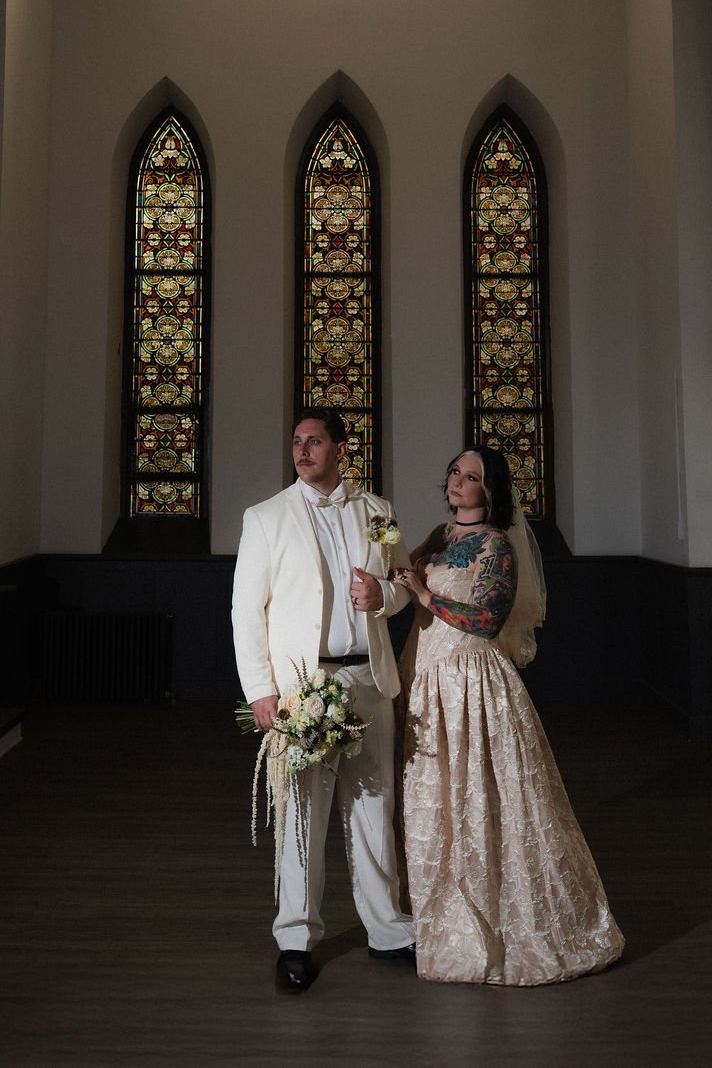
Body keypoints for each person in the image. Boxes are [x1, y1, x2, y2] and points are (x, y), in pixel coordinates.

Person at [395, 446, 624, 986]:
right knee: (437, 802)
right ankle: (440, 922)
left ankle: (509, 926)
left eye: (469, 476)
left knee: (483, 800)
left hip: (472, 682)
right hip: (427, 679)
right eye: (453, 471)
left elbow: (486, 620)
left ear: (489, 490)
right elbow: (405, 576)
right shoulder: (440, 535)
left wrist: (426, 596)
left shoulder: (497, 548)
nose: (456, 481)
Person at [232, 408, 416, 991]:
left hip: (370, 682)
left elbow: (405, 581)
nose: (303, 451)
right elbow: (245, 612)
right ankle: (295, 938)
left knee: (374, 810)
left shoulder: (379, 512)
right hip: (301, 689)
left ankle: (387, 930)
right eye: (296, 442)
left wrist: (381, 595)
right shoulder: (264, 518)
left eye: (315, 441)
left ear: (341, 448)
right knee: (302, 818)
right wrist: (261, 690)